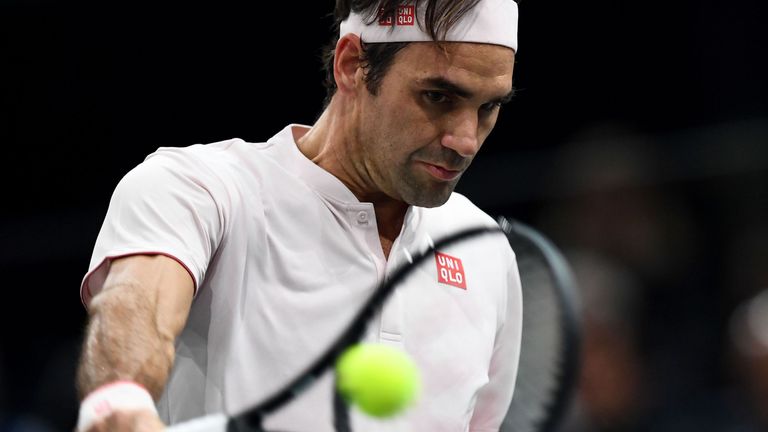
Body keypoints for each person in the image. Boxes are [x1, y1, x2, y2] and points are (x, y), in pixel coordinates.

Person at [74, 0, 522, 430]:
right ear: (351, 65)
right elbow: (138, 306)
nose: (466, 140)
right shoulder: (199, 189)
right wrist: (123, 400)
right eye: (439, 96)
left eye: (489, 107)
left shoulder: (483, 248)